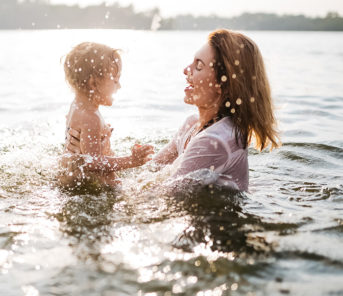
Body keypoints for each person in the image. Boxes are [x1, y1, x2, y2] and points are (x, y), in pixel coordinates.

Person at [66, 29, 279, 191]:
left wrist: (101, 178)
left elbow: (158, 199)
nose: (186, 70)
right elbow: (149, 172)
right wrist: (103, 152)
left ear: (225, 84)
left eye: (199, 66)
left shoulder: (215, 141)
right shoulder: (192, 125)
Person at [58, 42, 154, 188]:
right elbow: (92, 162)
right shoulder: (91, 117)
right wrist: (131, 161)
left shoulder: (76, 107)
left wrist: (99, 135)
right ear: (93, 83)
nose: (119, 85)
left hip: (72, 180)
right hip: (96, 187)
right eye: (115, 79)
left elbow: (82, 151)